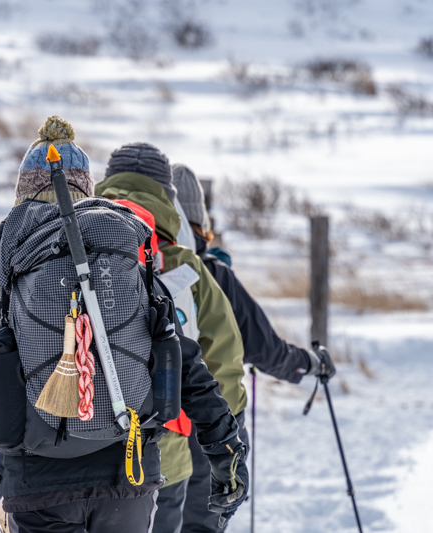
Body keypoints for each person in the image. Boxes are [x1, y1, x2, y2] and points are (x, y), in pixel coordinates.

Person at [0, 118, 248, 533]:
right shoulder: (128, 259)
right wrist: (225, 450)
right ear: (87, 191)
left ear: (23, 193)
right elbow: (183, 359)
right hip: (129, 475)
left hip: (38, 483)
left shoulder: (4, 271)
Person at [171, 163, 337, 532]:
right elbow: (266, 349)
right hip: (211, 430)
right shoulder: (212, 274)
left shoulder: (129, 266)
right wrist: (310, 364)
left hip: (146, 429)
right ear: (200, 221)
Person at [95, 143, 249, 533]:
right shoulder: (184, 264)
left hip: (79, 452)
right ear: (166, 195)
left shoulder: (71, 250)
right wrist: (226, 447)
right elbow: (223, 361)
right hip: (163, 455)